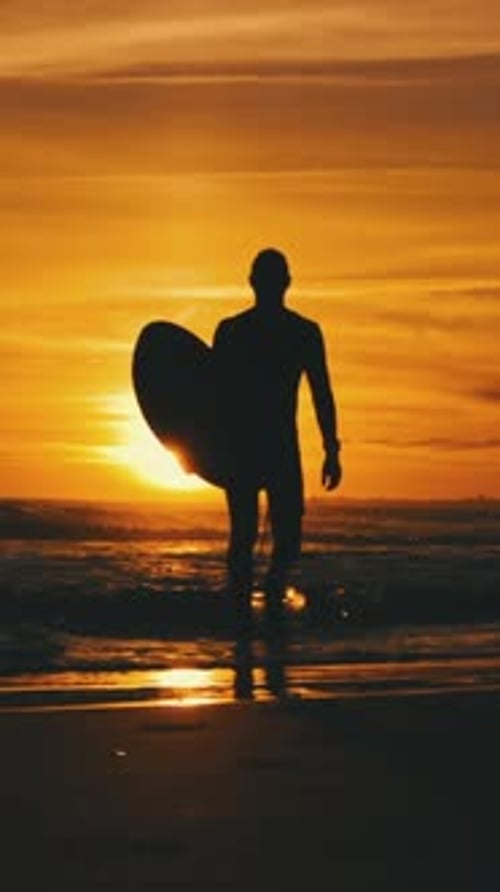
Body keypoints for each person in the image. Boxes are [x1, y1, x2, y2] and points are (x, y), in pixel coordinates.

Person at [213, 248, 341, 641]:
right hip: (245, 449)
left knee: (286, 541)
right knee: (244, 538)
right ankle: (242, 622)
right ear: (255, 283)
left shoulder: (303, 333)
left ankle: (266, 600)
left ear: (285, 283)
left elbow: (322, 392)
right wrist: (192, 448)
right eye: (265, 279)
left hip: (273, 450)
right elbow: (211, 397)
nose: (270, 286)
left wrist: (332, 448)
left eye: (274, 279)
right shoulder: (232, 331)